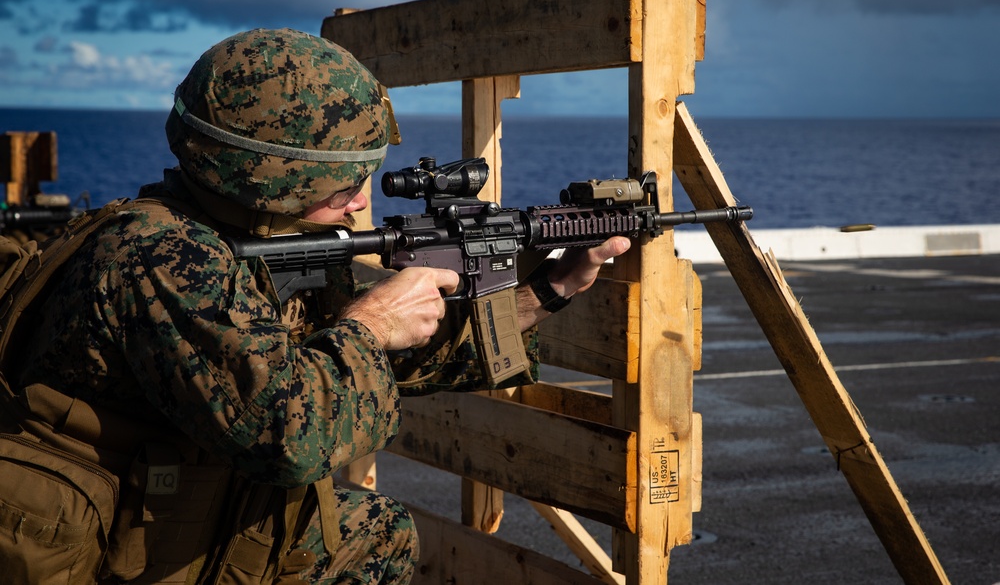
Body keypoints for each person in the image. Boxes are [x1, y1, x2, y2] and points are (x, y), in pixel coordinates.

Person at [10, 28, 629, 584]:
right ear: (270, 178)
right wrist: (370, 324)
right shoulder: (162, 257)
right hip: (106, 547)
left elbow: (366, 365)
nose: (361, 202)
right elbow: (287, 437)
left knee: (373, 532)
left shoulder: (254, 242)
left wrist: (550, 291)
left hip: (164, 508)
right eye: (342, 184)